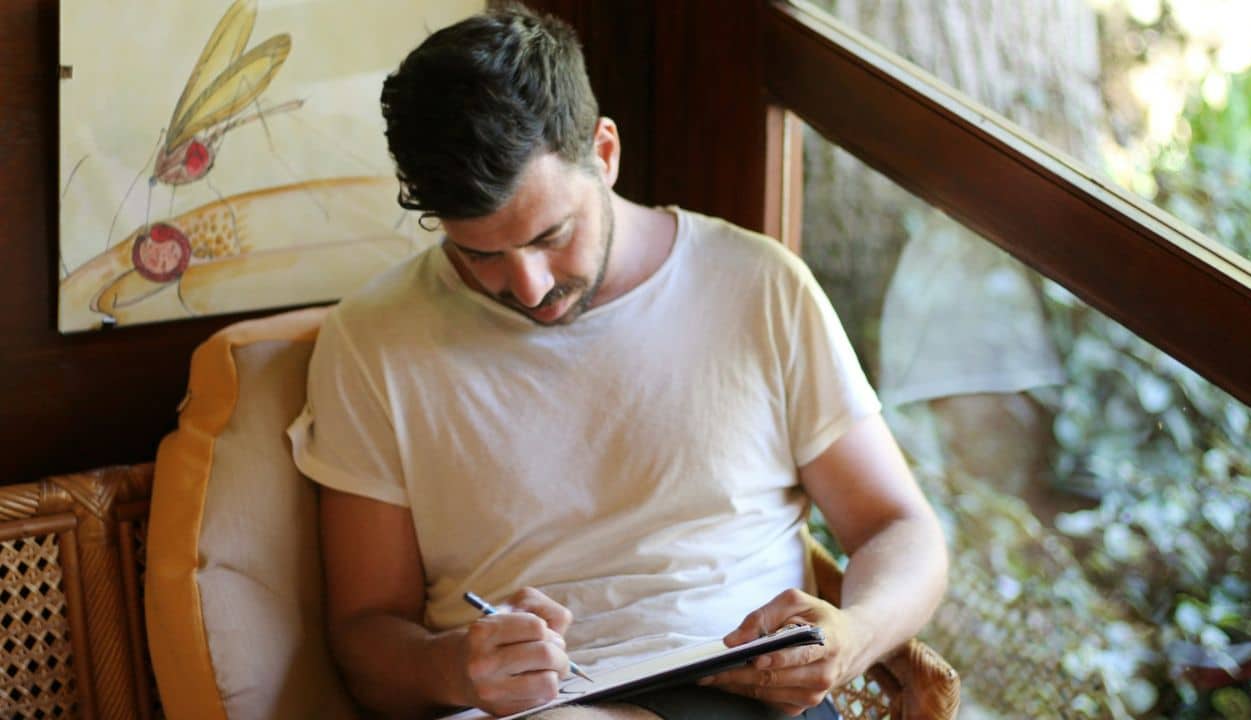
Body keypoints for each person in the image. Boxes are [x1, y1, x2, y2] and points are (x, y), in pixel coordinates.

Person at [286, 5, 948, 719]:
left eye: (551, 235)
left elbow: (900, 528)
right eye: (478, 255)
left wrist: (853, 635)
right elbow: (365, 639)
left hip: (742, 694)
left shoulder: (756, 285)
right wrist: (454, 668)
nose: (529, 287)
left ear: (604, 153)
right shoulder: (374, 340)